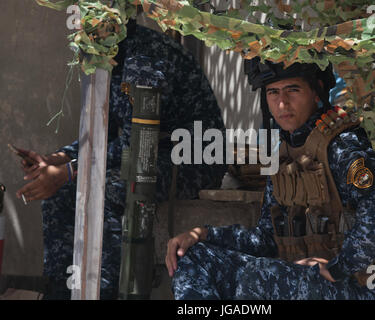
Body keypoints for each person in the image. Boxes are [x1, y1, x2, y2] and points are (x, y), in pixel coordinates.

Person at [15, 19, 227, 300]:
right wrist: (58, 158)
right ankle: (62, 293)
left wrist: (68, 171)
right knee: (60, 195)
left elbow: (137, 143)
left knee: (107, 192)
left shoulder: (145, 56)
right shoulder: (106, 53)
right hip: (147, 155)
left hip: (188, 160)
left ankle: (105, 292)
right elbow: (105, 131)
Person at [167, 58, 375, 300]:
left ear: (316, 93)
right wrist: (204, 235)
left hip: (361, 287)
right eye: (273, 92)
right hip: (309, 278)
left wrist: (338, 267)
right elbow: (266, 239)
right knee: (191, 258)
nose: (282, 103)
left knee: (258, 276)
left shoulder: (342, 147)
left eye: (293, 90)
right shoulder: (285, 154)